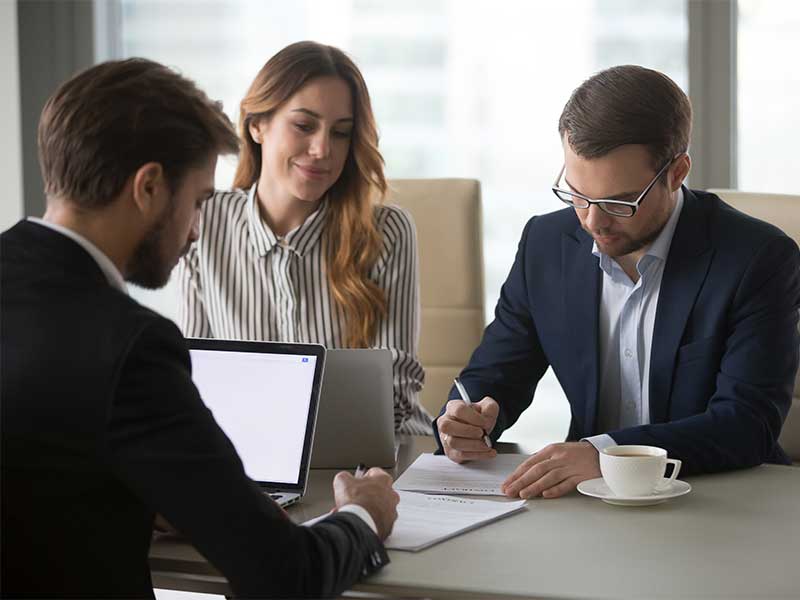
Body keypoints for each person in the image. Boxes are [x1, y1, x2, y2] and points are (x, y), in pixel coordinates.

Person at [0, 58, 399, 599]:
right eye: (196, 201)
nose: (194, 231)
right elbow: (286, 574)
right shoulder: (131, 346)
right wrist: (363, 516)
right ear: (149, 188)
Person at [435, 65, 800, 499]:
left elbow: (747, 424)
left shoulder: (758, 259)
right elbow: (495, 377)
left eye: (619, 201)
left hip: (721, 498)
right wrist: (466, 421)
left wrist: (606, 453)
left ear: (677, 172)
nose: (593, 221)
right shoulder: (546, 244)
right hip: (588, 503)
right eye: (577, 194)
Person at [177, 41, 431, 434]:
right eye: (304, 125)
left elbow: (394, 397)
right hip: (254, 458)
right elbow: (196, 379)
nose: (322, 149)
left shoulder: (387, 233)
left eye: (342, 133)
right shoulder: (202, 221)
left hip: (379, 457)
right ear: (257, 125)